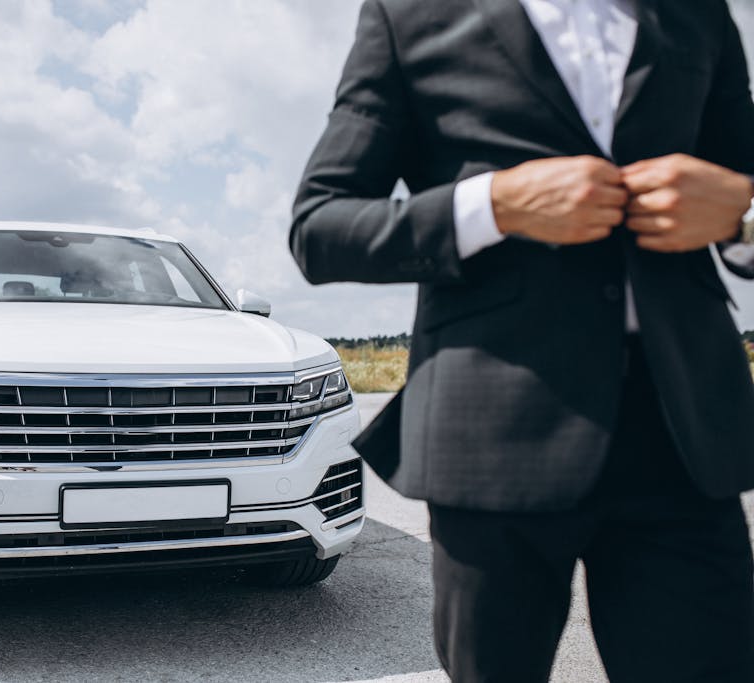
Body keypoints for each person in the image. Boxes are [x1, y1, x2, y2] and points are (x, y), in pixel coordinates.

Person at [289, 1, 754, 681]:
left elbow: (740, 179)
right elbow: (321, 226)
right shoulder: (407, 14)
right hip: (490, 435)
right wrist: (495, 205)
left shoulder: (698, 13)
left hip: (682, 435)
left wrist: (741, 214)